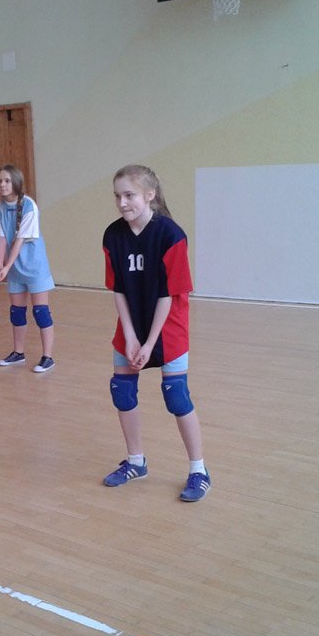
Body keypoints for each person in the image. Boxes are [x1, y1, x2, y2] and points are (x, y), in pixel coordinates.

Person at [101, 165, 209, 501]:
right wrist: (131, 337)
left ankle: (199, 470)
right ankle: (136, 462)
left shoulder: (170, 235)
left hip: (168, 327)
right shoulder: (113, 235)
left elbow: (169, 294)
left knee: (176, 396)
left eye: (129, 195)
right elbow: (118, 289)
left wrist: (149, 342)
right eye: (117, 196)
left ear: (150, 195)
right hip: (132, 323)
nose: (122, 202)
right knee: (122, 391)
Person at [0, 164, 56, 373]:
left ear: (16, 183)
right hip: (15, 269)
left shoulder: (29, 206)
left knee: (41, 312)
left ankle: (47, 357)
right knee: (17, 312)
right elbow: (1, 238)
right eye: (0, 181)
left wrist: (7, 265)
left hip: (34, 267)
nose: (2, 184)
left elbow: (19, 240)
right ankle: (18, 353)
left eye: (7, 181)